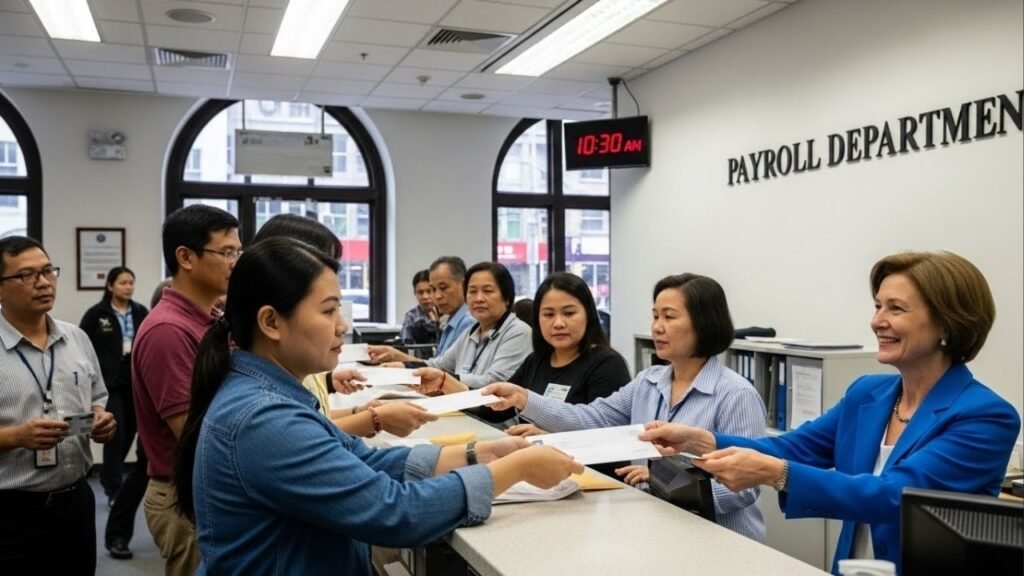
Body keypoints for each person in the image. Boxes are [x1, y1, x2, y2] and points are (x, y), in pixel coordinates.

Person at [173, 237, 583, 575]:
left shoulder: (270, 396)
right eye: (328, 310)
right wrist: (513, 470)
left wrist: (479, 452)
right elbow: (395, 511)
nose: (342, 326)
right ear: (270, 322)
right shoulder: (263, 419)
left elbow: (365, 463)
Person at [639, 252, 1022, 574]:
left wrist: (777, 475)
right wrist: (703, 440)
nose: (877, 321)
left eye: (896, 308)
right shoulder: (868, 394)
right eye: (877, 306)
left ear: (947, 323)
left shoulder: (985, 416)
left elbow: (895, 496)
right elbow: (796, 447)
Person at [483, 273, 767, 542]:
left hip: (717, 542)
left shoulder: (736, 394)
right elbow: (593, 417)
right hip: (654, 529)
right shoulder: (649, 381)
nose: (657, 326)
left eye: (669, 317)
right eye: (655, 316)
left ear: (703, 322)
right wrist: (525, 398)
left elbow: (745, 488)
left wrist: (667, 483)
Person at [252, 214, 436, 437]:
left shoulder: (288, 364)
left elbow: (314, 421)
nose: (342, 327)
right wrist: (372, 419)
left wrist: (359, 410)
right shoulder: (262, 398)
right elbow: (303, 435)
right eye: (328, 310)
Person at [133, 204, 240, 576]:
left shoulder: (209, 319)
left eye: (237, 252)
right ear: (186, 257)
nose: (235, 262)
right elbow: (192, 433)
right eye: (226, 252)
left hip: (205, 489)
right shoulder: (168, 330)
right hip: (184, 498)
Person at [0, 236, 117, 575]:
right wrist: (17, 437)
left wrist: (102, 420)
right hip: (11, 510)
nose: (43, 282)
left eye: (48, 271)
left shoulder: (76, 338)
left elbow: (97, 400)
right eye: (26, 275)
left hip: (75, 502)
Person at [79, 265, 149, 560]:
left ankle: (113, 480)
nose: (128, 287)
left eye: (131, 282)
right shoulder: (98, 314)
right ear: (110, 286)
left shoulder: (140, 311)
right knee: (116, 436)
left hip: (134, 381)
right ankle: (111, 488)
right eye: (123, 282)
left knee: (132, 431)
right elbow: (82, 347)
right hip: (109, 386)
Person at [404, 261, 532, 398]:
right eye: (472, 291)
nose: (478, 299)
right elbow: (440, 365)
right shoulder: (471, 332)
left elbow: (494, 382)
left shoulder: (519, 332)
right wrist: (401, 367)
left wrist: (445, 380)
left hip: (489, 417)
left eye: (487, 291)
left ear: (507, 297)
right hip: (462, 410)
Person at [368, 256, 474, 363]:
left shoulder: (468, 323)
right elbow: (437, 365)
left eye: (443, 288)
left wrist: (396, 356)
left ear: (464, 285)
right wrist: (394, 354)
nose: (437, 296)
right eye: (433, 289)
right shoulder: (451, 321)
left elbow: (444, 371)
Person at [400, 269, 439, 346]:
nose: (425, 297)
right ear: (415, 293)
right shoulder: (411, 316)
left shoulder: (446, 312)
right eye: (420, 292)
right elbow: (406, 345)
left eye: (429, 291)